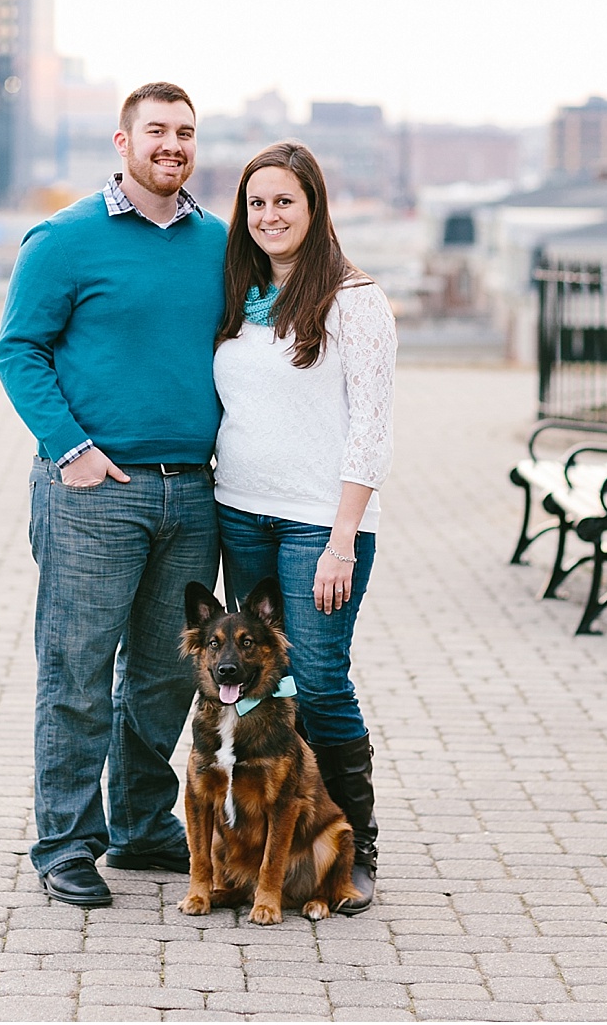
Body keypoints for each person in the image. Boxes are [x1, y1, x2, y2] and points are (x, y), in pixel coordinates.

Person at [0, 82, 226, 908]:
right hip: (94, 494)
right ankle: (65, 844)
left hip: (193, 495)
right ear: (122, 143)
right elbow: (18, 351)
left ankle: (138, 827)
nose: (173, 145)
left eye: (186, 133)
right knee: (77, 673)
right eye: (156, 131)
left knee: (167, 677)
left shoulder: (218, 245)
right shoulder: (64, 239)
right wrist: (74, 452)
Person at [212, 140, 397, 914]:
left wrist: (342, 538)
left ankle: (355, 844)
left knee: (320, 681)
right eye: (256, 203)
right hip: (240, 514)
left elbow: (370, 427)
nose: (269, 215)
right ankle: (270, 842)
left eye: (284, 200)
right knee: (263, 687)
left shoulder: (355, 300)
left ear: (315, 207)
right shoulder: (240, 296)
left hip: (320, 526)